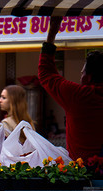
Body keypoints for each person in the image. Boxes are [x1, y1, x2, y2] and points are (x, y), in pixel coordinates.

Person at [39, 15, 103, 163]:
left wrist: (52, 33)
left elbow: (46, 73)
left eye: (82, 72)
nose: (80, 75)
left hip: (82, 172)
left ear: (88, 77)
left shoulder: (79, 96)